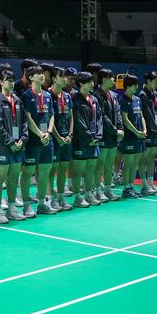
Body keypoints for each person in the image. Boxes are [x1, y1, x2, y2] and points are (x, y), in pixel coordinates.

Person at [0, 69, 26, 224]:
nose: (11, 83)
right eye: (8, 80)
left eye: (12, 80)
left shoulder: (17, 100)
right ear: (1, 82)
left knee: (13, 177)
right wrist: (10, 142)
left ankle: (11, 208)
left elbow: (24, 121)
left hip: (18, 146)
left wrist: (23, 139)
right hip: (2, 147)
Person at [20, 66, 55, 216]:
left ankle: (42, 203)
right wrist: (40, 134)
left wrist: (48, 132)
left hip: (47, 140)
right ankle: (26, 205)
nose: (42, 76)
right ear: (31, 77)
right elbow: (27, 117)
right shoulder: (26, 95)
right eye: (38, 74)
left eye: (42, 73)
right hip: (33, 141)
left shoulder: (47, 95)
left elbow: (52, 116)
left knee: (45, 172)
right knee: (28, 173)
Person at [71, 71, 102, 208]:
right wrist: (89, 137)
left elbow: (99, 119)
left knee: (91, 168)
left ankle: (89, 194)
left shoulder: (94, 99)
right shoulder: (75, 99)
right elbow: (78, 121)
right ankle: (78, 196)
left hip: (94, 140)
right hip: (81, 141)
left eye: (93, 81)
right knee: (79, 171)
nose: (92, 84)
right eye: (89, 82)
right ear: (81, 84)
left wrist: (98, 136)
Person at [94, 68, 122, 202]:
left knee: (109, 163)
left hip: (114, 135)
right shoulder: (96, 95)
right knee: (100, 163)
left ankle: (107, 190)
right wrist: (114, 130)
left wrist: (120, 129)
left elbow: (118, 114)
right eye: (111, 77)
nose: (113, 80)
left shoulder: (114, 95)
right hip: (104, 134)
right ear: (104, 79)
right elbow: (102, 116)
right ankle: (97, 190)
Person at [49, 66, 74, 210]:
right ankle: (51, 199)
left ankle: (60, 198)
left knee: (63, 169)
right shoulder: (48, 96)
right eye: (62, 76)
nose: (65, 79)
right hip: (54, 138)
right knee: (52, 170)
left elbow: (71, 117)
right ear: (54, 79)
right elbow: (49, 119)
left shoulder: (67, 96)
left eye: (66, 76)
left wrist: (70, 134)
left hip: (66, 138)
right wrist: (57, 137)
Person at [118, 74, 146, 199]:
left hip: (139, 135)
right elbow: (125, 119)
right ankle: (126, 188)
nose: (137, 86)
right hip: (129, 136)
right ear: (128, 85)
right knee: (128, 163)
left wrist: (144, 129)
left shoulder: (137, 99)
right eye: (135, 84)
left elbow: (141, 116)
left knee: (135, 163)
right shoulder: (122, 100)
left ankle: (131, 186)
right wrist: (136, 131)